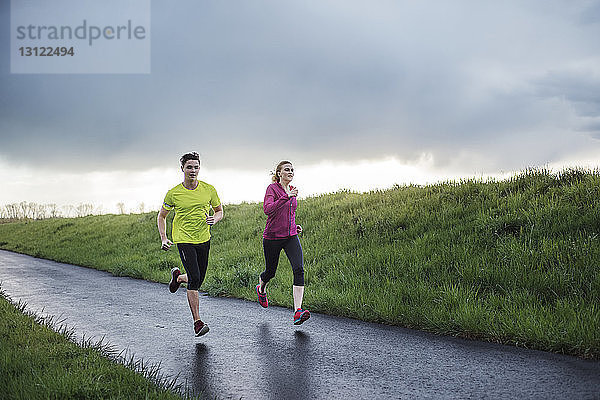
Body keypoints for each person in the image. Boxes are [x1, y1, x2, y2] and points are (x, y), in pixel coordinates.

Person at [157, 152, 223, 337]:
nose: (193, 170)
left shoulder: (209, 189)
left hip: (204, 238)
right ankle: (197, 322)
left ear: (199, 168)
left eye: (196, 167)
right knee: (195, 279)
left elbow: (219, 211)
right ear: (183, 169)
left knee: (199, 278)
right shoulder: (174, 193)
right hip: (183, 239)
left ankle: (178, 278)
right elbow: (162, 216)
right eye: (189, 167)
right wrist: (164, 237)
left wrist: (214, 219)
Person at [256, 160, 310, 325]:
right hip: (272, 237)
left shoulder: (292, 190)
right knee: (270, 272)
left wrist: (295, 226)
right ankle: (261, 288)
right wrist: (286, 197)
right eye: (287, 169)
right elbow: (268, 209)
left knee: (299, 269)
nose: (291, 172)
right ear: (279, 173)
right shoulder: (272, 189)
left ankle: (298, 311)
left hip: (290, 236)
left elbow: (289, 213)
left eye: (292, 169)